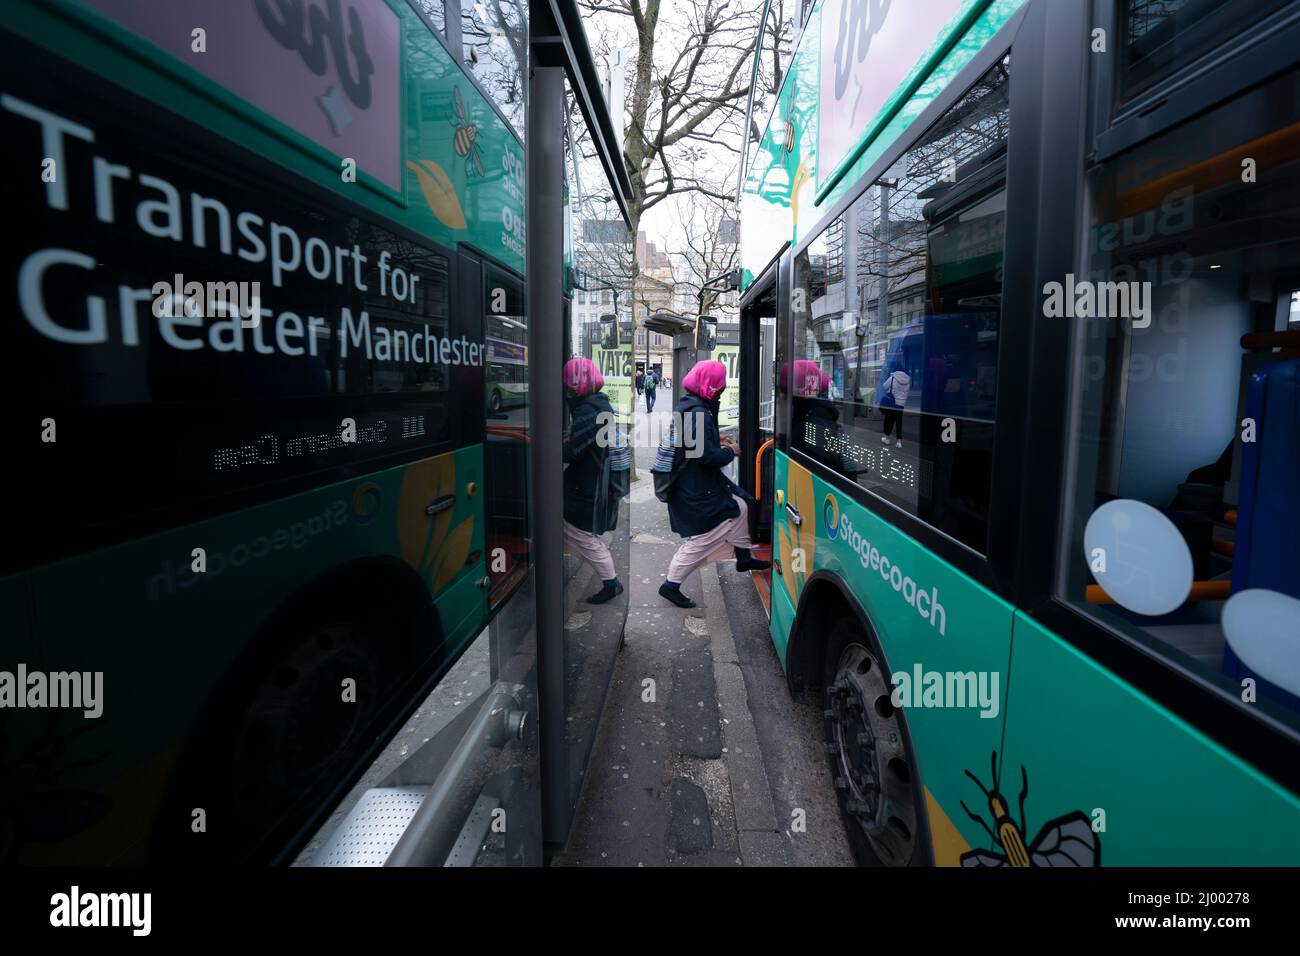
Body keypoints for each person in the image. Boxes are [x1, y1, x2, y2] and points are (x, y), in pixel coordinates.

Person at [659, 360, 770, 608]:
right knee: (704, 538)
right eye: (720, 383)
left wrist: (714, 437)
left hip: (694, 483)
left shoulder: (691, 405)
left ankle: (743, 557)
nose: (722, 387)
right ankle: (670, 585)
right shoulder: (698, 411)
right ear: (710, 385)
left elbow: (691, 443)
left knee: (740, 505)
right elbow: (704, 456)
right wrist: (731, 451)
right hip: (696, 489)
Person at [562, 357, 623, 604]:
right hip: (591, 480)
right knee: (566, 528)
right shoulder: (600, 404)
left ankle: (612, 583)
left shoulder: (588, 409)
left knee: (582, 535)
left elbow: (575, 451)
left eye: (568, 382)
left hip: (584, 483)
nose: (566, 387)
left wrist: (549, 446)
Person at [879, 360, 910, 448]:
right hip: (901, 404)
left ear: (895, 369)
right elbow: (907, 392)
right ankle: (899, 442)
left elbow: (884, 386)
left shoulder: (893, 377)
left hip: (892, 403)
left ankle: (887, 438)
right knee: (899, 422)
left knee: (889, 420)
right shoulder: (907, 379)